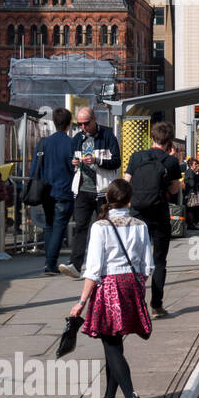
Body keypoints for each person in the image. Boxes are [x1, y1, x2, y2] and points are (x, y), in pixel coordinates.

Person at [68, 179, 153, 398]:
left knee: (110, 342)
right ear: (129, 201)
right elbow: (147, 265)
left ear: (107, 198)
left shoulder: (100, 227)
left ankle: (129, 394)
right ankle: (109, 394)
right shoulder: (140, 225)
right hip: (133, 283)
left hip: (109, 286)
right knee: (115, 340)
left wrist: (81, 302)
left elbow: (94, 269)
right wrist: (139, 285)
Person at [124, 121, 182, 317]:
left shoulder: (136, 156)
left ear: (152, 138)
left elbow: (126, 182)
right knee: (159, 261)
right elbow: (174, 189)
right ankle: (156, 305)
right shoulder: (171, 162)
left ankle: (133, 303)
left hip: (138, 212)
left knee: (135, 258)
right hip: (159, 212)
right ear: (169, 141)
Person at [61, 107, 122, 278]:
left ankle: (108, 264)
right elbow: (71, 159)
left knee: (105, 228)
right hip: (82, 189)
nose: (83, 127)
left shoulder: (108, 136)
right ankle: (75, 264)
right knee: (80, 226)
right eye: (80, 124)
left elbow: (116, 161)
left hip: (103, 191)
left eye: (86, 123)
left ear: (94, 119)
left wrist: (97, 160)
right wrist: (73, 162)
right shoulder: (77, 139)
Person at [35, 108, 75, 276]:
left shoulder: (43, 142)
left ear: (53, 121)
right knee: (59, 227)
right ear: (69, 123)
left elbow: (35, 168)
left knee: (49, 225)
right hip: (64, 190)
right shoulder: (71, 143)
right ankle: (50, 264)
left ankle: (49, 263)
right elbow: (73, 168)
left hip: (45, 191)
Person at [183, 156, 199, 231]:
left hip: (189, 193)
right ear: (191, 165)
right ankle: (191, 224)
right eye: (195, 164)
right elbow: (192, 184)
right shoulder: (191, 173)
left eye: (197, 164)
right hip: (190, 194)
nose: (197, 166)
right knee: (191, 209)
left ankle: (192, 223)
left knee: (192, 208)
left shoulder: (189, 172)